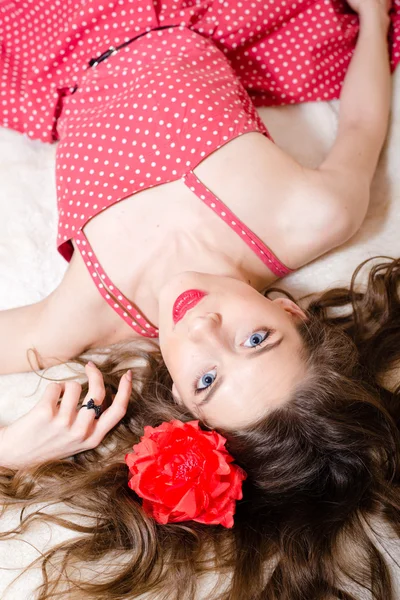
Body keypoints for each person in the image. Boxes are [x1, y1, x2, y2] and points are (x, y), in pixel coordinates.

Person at [0, 0, 399, 598]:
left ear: (183, 401)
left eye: (208, 379)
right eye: (256, 340)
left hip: (62, 32)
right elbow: (364, 126)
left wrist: (7, 450)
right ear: (290, 312)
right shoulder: (308, 215)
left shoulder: (85, 316)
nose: (205, 329)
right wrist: (373, 20)